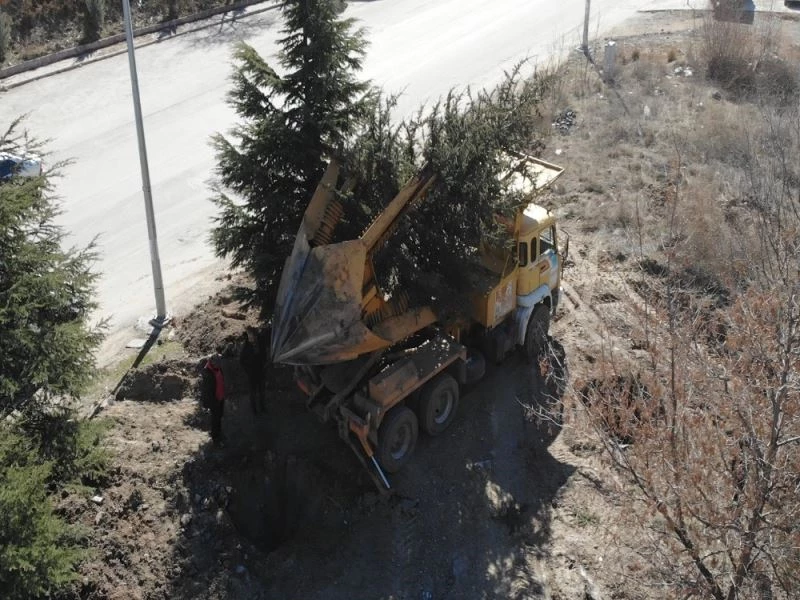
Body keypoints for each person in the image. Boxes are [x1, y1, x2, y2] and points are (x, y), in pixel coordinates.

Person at [239, 325, 268, 415]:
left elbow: (264, 355)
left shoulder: (260, 343)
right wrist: (248, 371)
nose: (252, 338)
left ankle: (262, 407)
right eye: (250, 336)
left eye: (253, 336)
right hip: (251, 373)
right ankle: (254, 410)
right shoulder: (246, 347)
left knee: (262, 391)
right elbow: (242, 361)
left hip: (260, 371)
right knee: (253, 393)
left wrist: (264, 364)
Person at [200, 351, 226, 445]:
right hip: (214, 401)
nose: (219, 366)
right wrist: (214, 402)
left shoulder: (217, 368)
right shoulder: (207, 373)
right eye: (218, 364)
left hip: (221, 397)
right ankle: (215, 438)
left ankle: (219, 433)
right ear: (212, 363)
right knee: (215, 419)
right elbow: (207, 392)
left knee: (219, 417)